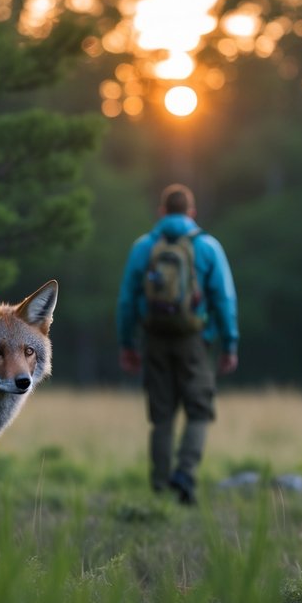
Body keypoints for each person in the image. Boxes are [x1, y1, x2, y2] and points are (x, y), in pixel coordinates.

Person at [116, 183, 238, 505]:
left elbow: (127, 300)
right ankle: (185, 474)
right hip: (194, 340)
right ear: (192, 212)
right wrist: (229, 344)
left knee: (162, 416)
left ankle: (159, 486)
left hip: (153, 338)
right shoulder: (208, 246)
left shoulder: (143, 247)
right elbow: (224, 299)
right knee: (199, 411)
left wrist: (127, 343)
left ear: (161, 211)